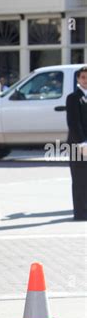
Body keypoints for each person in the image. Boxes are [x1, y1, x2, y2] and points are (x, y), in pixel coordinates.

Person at [66, 66, 87, 221]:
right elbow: (73, 123)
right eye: (83, 77)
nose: (86, 81)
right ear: (78, 79)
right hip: (78, 145)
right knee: (79, 179)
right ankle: (80, 213)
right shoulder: (73, 97)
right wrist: (82, 143)